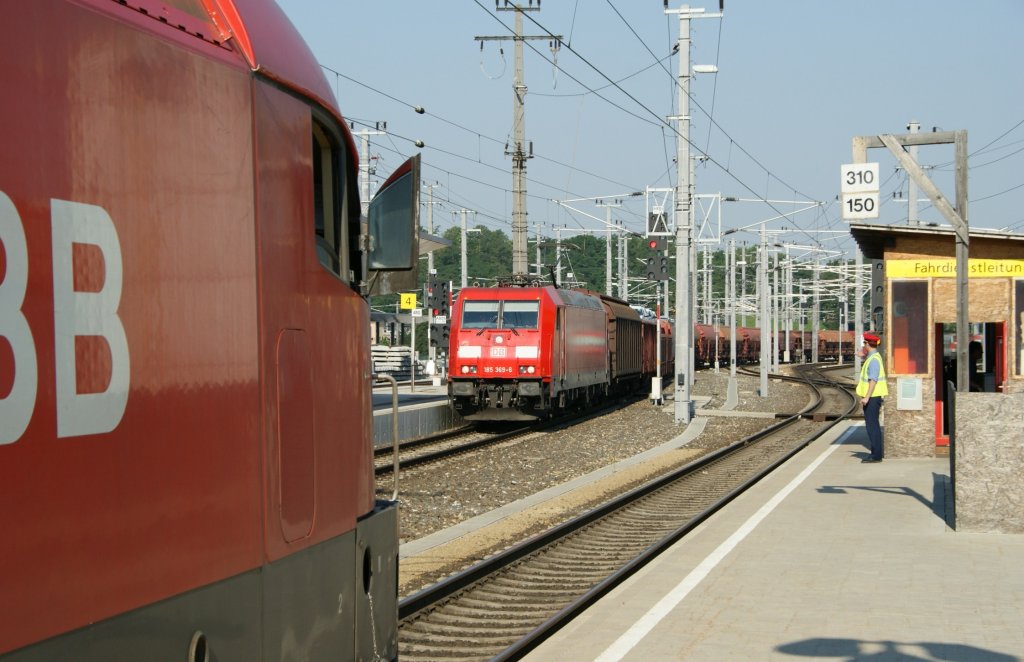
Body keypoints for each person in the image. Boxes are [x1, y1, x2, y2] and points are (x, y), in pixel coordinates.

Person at [857, 332, 888, 462]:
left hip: (872, 398)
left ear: (867, 344)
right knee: (872, 425)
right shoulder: (873, 357)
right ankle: (875, 453)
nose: (863, 345)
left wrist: (867, 397)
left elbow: (873, 380)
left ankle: (876, 455)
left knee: (872, 426)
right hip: (873, 397)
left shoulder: (874, 360)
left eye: (864, 343)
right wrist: (863, 356)